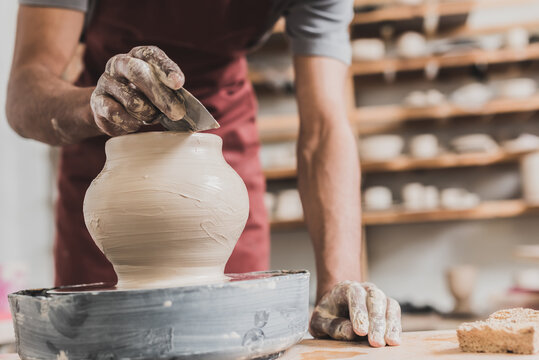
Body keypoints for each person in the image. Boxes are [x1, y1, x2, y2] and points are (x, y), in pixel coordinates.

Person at [6, 0, 401, 346]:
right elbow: (24, 95)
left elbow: (325, 127)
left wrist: (338, 285)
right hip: (107, 156)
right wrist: (94, 106)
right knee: (102, 339)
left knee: (238, 334)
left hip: (216, 161)